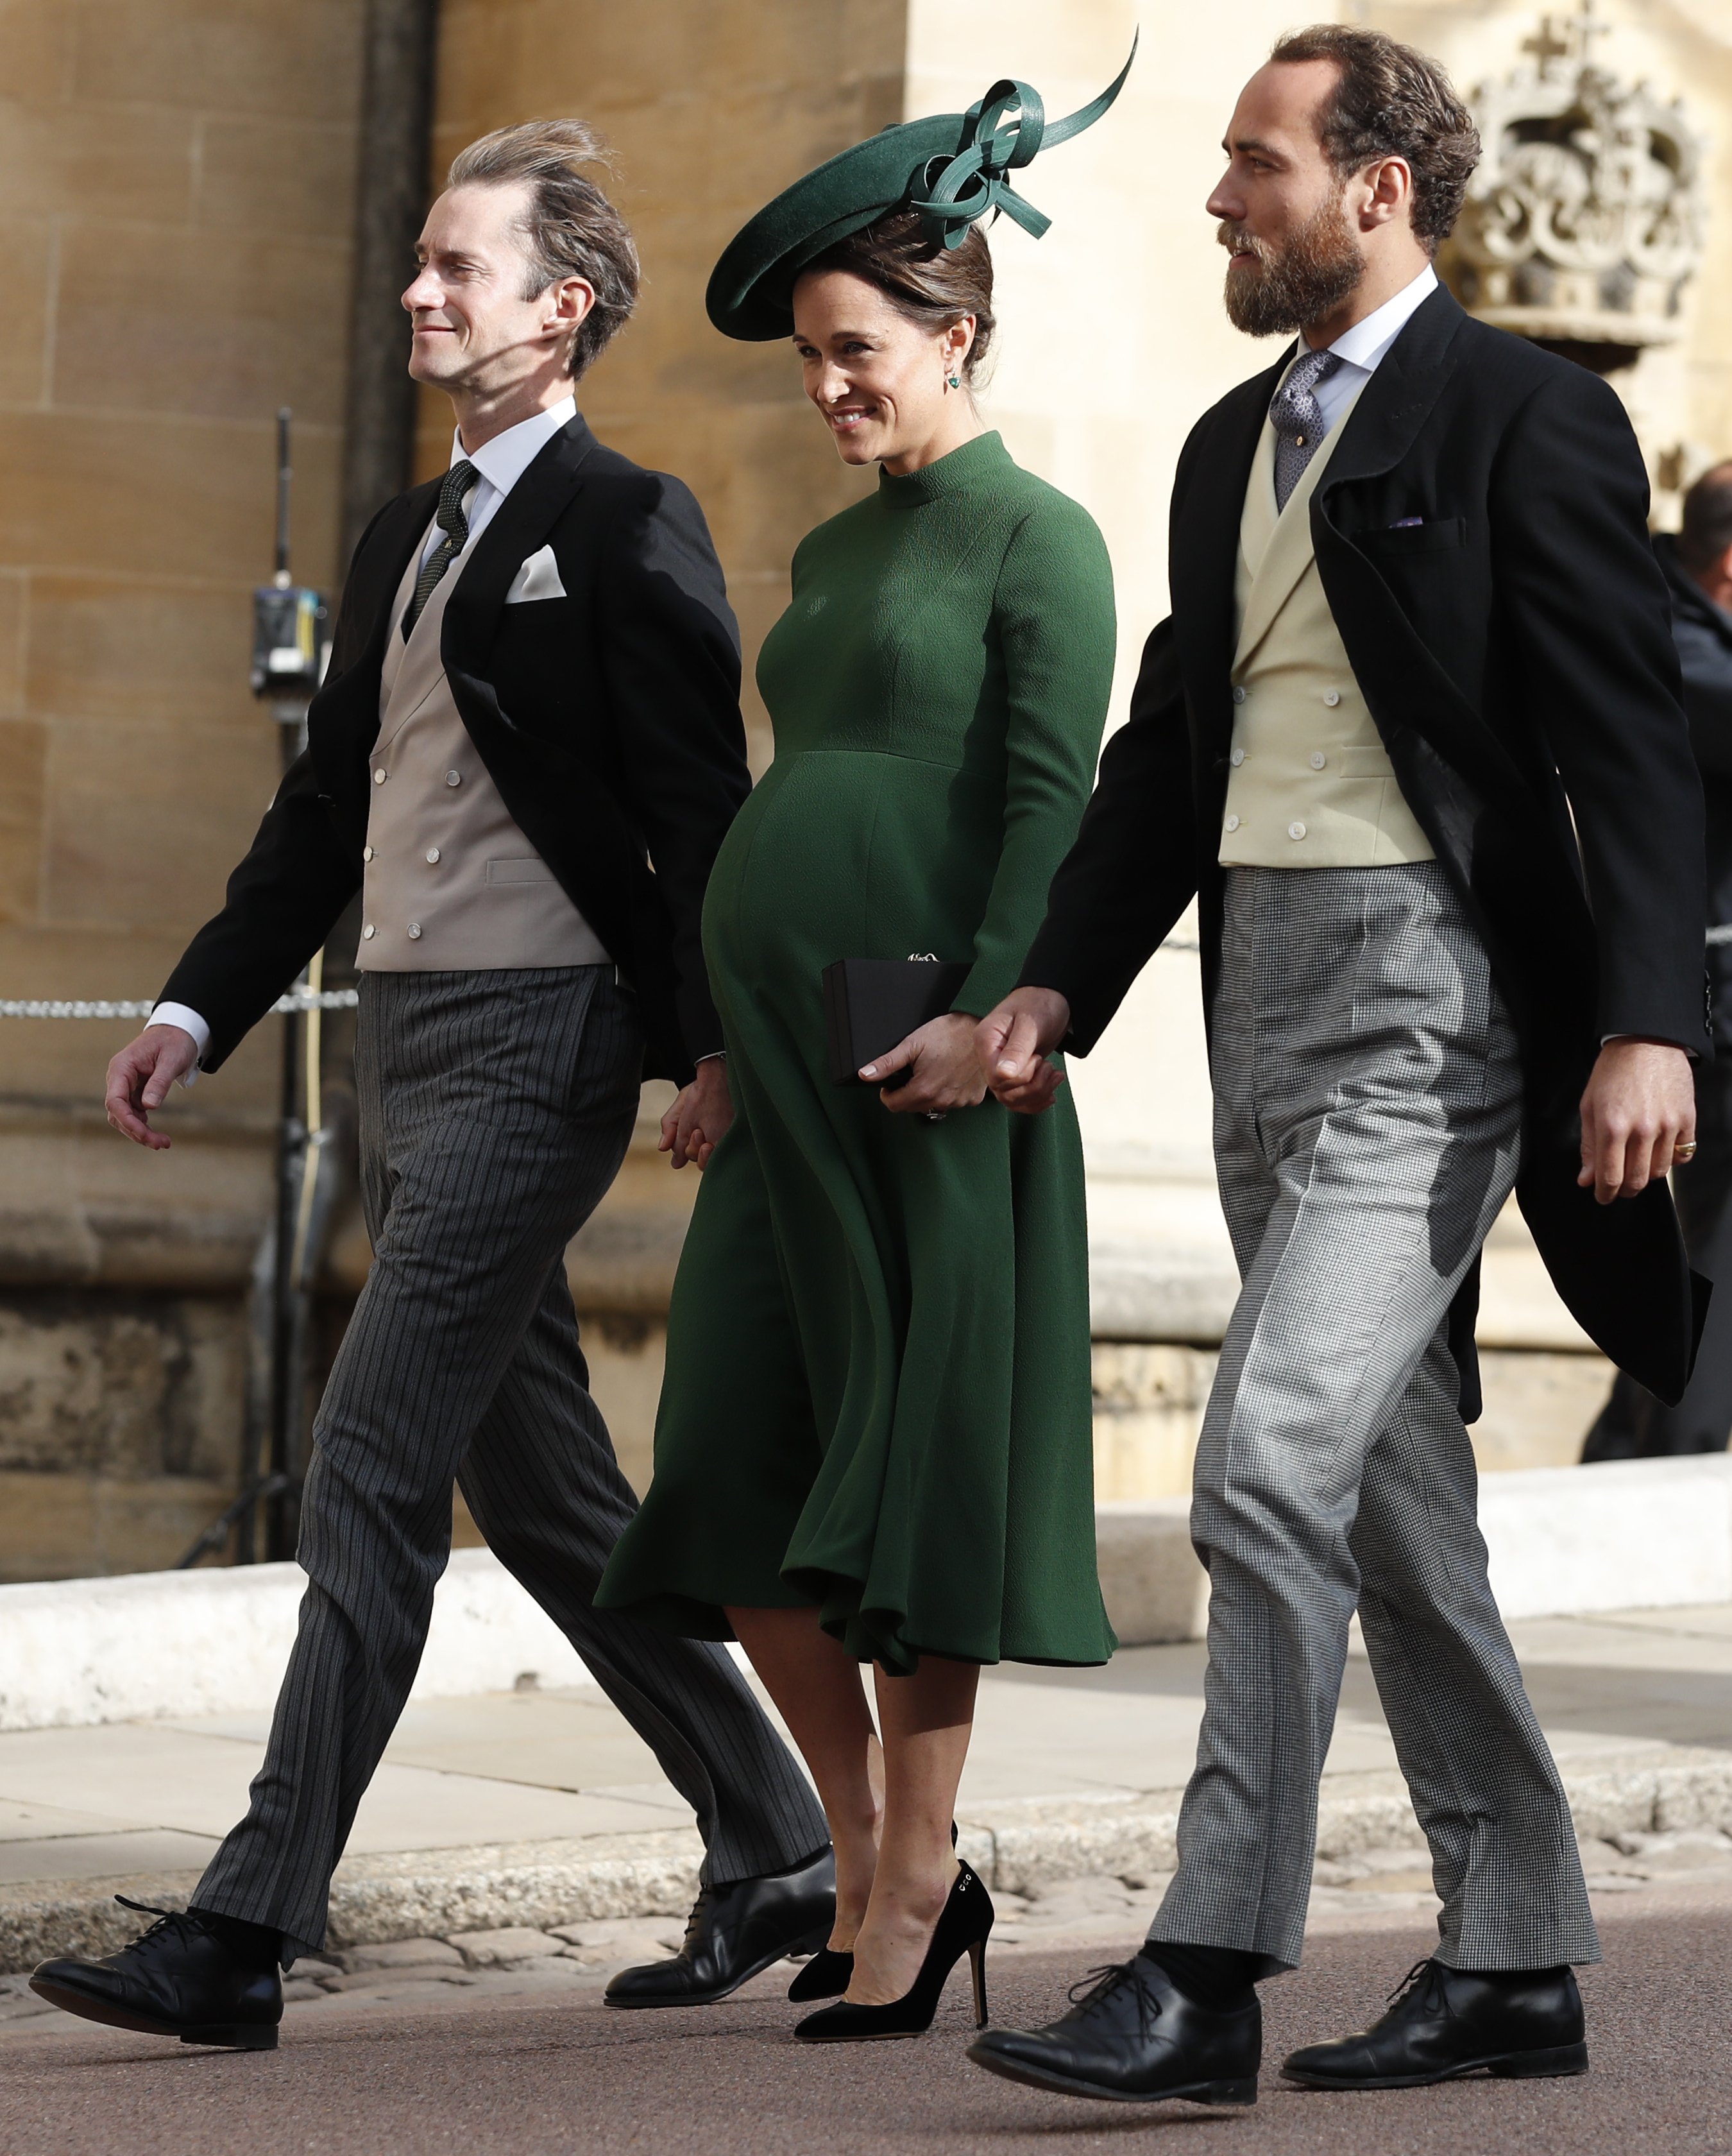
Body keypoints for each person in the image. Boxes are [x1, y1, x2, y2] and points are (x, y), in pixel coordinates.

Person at [30, 120, 835, 2053]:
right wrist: (197, 1009)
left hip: (542, 1042)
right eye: (416, 260)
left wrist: (709, 1039)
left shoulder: (625, 520)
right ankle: (776, 1839)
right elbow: (318, 825)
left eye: (457, 267)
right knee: (542, 1490)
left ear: (562, 310)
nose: (418, 290)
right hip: (399, 1040)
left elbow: (691, 807)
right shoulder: (404, 532)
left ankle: (248, 1922)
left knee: (372, 1457)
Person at [965, 24, 1706, 2109]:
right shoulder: (1224, 445)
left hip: (1429, 998)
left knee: (1262, 1462)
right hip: (1251, 980)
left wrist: (1645, 1016)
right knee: (1387, 1501)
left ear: (1378, 187)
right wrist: (1052, 985)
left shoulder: (1525, 418)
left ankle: (1206, 1969)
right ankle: (1518, 1954)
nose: (1219, 194)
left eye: (1256, 161)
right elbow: (1168, 744)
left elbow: (1627, 744)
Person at [596, 55, 1132, 2044]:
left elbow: (1044, 800)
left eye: (854, 353)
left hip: (929, 1067)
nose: (826, 389)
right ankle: (867, 1850)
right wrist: (725, 1044)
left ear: (953, 332)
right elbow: (786, 789)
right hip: (783, 1061)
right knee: (734, 1476)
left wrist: (985, 1020)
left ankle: (914, 1879)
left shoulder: (1038, 540)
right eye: (813, 360)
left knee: (904, 1482)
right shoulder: (829, 558)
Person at [1583, 461, 1732, 1459]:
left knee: (1704, 1245)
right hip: (1706, 1001)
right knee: (1718, 1241)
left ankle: (1636, 1453)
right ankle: (1676, 1458)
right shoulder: (1674, 642)